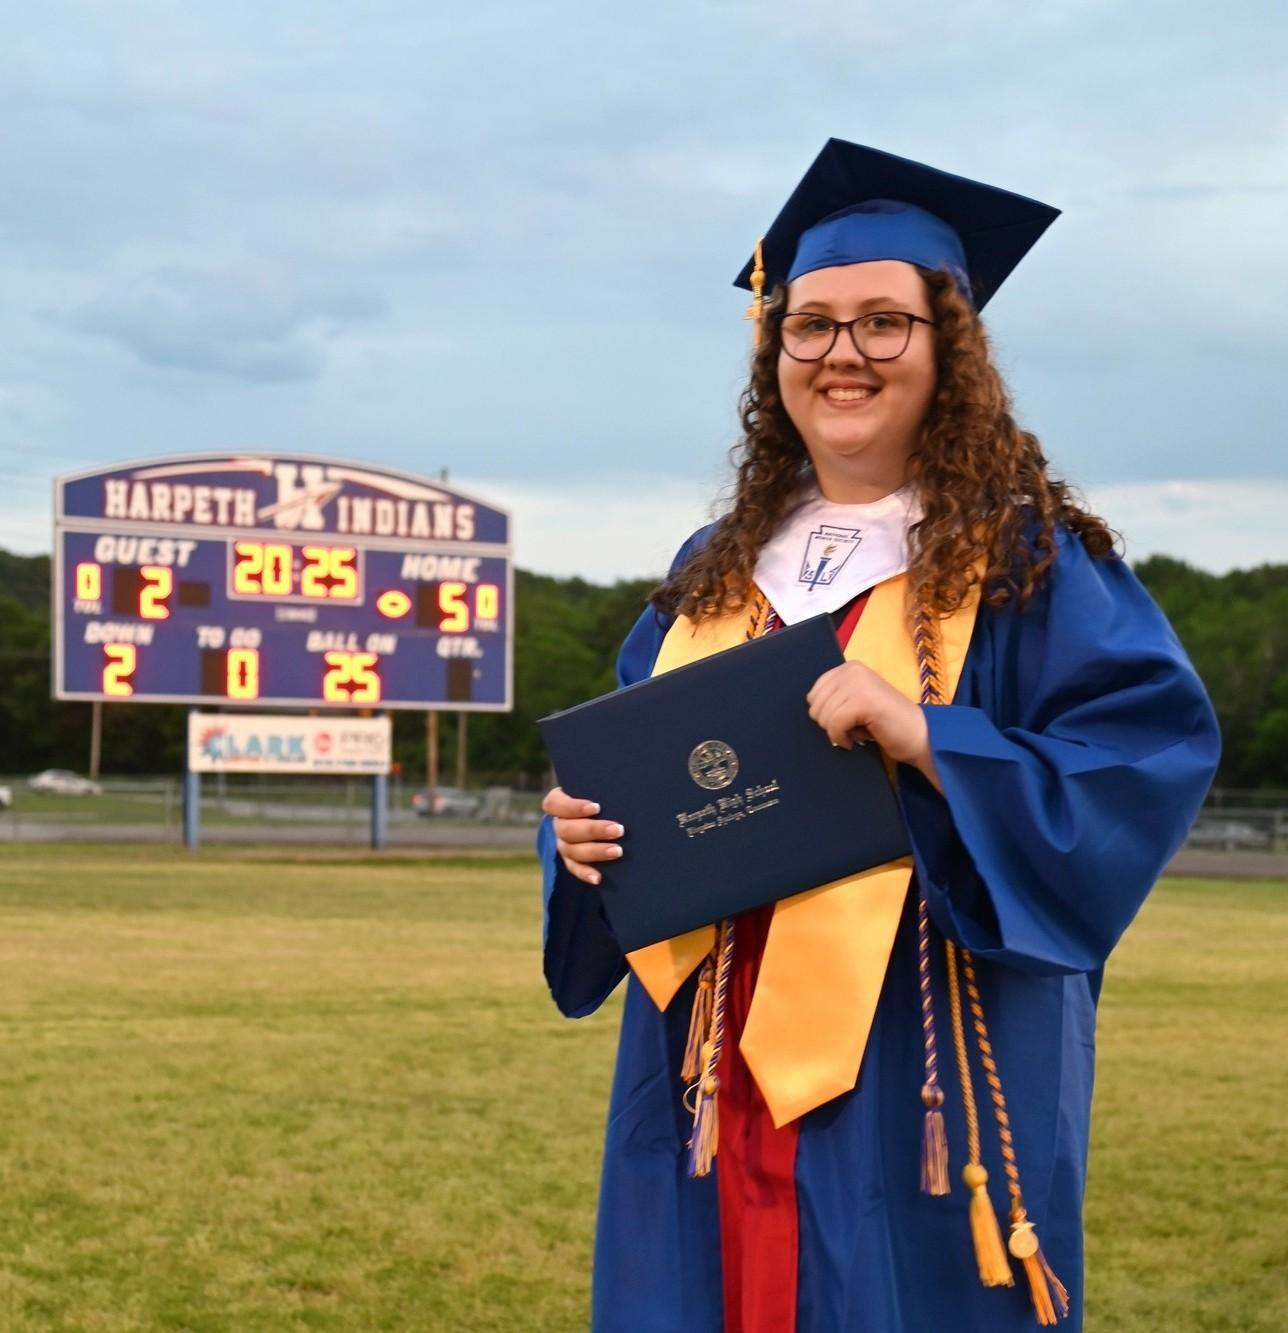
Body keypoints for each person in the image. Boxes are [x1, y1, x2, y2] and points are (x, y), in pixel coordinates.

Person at [538, 139, 1220, 1333]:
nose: (841, 353)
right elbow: (631, 770)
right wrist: (580, 838)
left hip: (921, 1052)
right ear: (775, 354)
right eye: (809, 325)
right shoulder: (713, 570)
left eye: (883, 323)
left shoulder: (1029, 562)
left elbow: (1140, 759)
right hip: (705, 1060)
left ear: (948, 349)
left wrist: (932, 738)